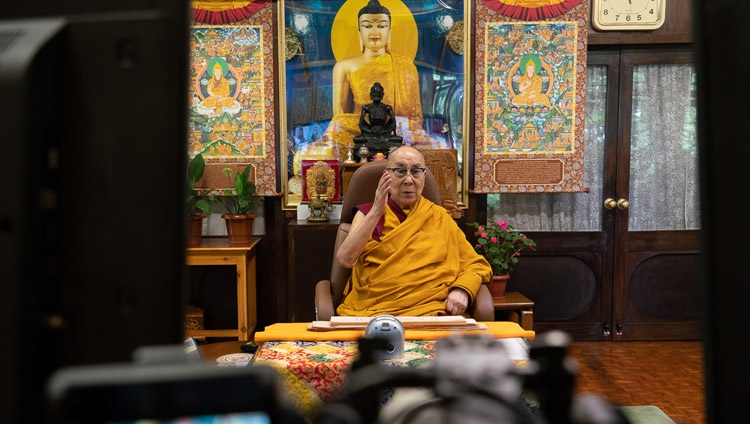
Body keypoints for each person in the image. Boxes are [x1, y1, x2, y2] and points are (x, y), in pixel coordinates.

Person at [336, 146, 492, 317]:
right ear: (387, 176)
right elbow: (345, 259)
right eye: (400, 171)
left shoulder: (439, 217)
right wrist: (376, 212)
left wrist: (462, 290)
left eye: (416, 171)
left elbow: (476, 264)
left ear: (424, 177)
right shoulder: (367, 213)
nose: (408, 180)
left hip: (430, 313)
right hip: (376, 314)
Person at [324, 0, 428, 158]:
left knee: (433, 148)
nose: (374, 32)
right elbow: (340, 120)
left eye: (381, 26)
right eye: (367, 26)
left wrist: (398, 126)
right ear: (359, 32)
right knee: (331, 138)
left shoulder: (406, 67)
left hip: (397, 134)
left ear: (389, 31)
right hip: (361, 135)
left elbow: (414, 121)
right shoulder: (343, 66)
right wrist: (366, 127)